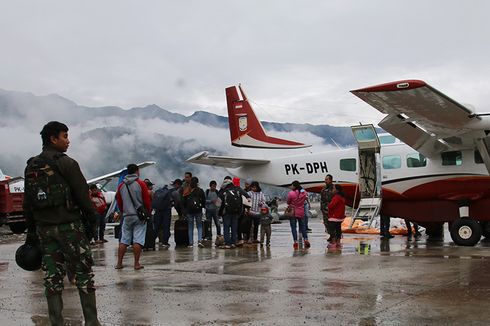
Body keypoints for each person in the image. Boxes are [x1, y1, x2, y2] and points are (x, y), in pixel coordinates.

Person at [23, 121, 101, 325]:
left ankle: (56, 322)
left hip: (44, 231)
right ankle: (92, 322)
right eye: (65, 136)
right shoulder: (67, 163)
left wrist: (32, 232)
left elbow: (28, 203)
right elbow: (83, 197)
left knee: (52, 279)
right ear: (53, 139)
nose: (68, 141)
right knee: (84, 275)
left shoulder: (31, 165)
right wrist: (92, 221)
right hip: (70, 228)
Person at [115, 163, 151, 270]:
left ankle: (119, 263)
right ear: (137, 171)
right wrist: (148, 212)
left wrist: (122, 212)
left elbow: (119, 201)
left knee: (124, 240)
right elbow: (146, 200)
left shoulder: (121, 185)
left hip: (126, 215)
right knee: (138, 239)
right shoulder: (140, 184)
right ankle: (136, 264)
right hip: (138, 215)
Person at [218, 179, 250, 248]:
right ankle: (233, 243)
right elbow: (247, 196)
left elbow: (218, 202)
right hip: (236, 212)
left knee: (226, 228)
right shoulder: (237, 189)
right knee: (234, 228)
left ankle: (227, 244)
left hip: (226, 212)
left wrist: (219, 213)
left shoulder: (224, 191)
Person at [181, 176, 206, 248]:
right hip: (198, 210)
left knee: (190, 227)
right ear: (197, 183)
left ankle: (191, 243)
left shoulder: (187, 190)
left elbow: (183, 201)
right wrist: (202, 207)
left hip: (189, 211)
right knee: (199, 226)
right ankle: (200, 241)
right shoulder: (200, 190)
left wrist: (185, 210)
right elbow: (203, 201)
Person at [287, 180, 310, 249]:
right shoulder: (303, 192)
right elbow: (306, 197)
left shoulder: (291, 193)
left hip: (293, 211)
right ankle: (305, 239)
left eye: (292, 185)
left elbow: (288, 202)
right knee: (303, 227)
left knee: (293, 227)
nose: (291, 187)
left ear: (294, 186)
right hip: (301, 211)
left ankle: (295, 241)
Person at [327, 184, 346, 249]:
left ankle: (333, 243)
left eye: (333, 189)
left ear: (337, 190)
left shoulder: (336, 197)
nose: (332, 190)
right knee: (338, 230)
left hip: (334, 217)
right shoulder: (342, 197)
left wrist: (328, 205)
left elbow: (331, 206)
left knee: (332, 230)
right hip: (340, 217)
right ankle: (338, 242)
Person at [320, 174, 334, 239]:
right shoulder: (323, 189)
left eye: (327, 179)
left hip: (332, 210)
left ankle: (335, 236)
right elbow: (322, 200)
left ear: (331, 180)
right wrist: (322, 209)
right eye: (325, 179)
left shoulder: (334, 189)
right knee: (326, 224)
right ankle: (330, 235)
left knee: (333, 224)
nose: (325, 181)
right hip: (325, 210)